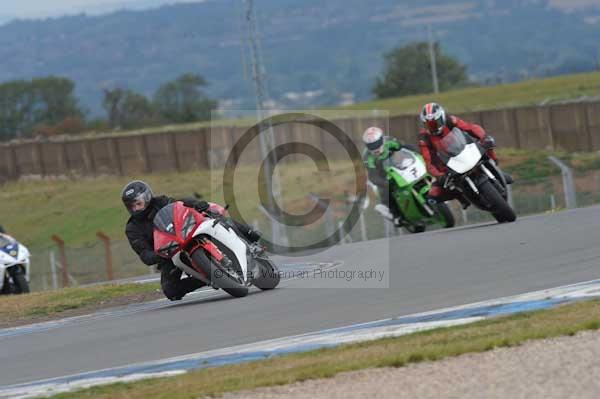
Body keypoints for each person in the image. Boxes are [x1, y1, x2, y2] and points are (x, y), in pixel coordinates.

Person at [122, 180, 260, 301]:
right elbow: (144, 255)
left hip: (187, 230)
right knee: (171, 291)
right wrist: (159, 254)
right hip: (169, 253)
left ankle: (248, 233)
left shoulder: (161, 202)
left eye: (137, 204)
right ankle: (211, 277)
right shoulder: (132, 228)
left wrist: (197, 204)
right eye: (131, 206)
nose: (135, 209)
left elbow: (180, 204)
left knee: (212, 214)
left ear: (146, 198)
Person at [418, 102, 512, 207]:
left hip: (465, 149)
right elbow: (428, 161)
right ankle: (460, 196)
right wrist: (440, 176)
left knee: (488, 142)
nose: (432, 127)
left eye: (435, 123)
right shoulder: (424, 138)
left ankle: (495, 166)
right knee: (433, 194)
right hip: (446, 162)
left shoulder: (451, 120)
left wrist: (483, 136)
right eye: (429, 125)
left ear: (442, 118)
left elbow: (471, 127)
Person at [362, 126, 417, 226]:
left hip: (396, 165)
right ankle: (396, 216)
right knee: (386, 190)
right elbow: (372, 175)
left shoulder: (390, 141)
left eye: (376, 144)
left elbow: (403, 147)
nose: (375, 148)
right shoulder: (367, 157)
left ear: (382, 139)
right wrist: (384, 182)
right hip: (381, 175)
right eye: (371, 145)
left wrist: (415, 152)